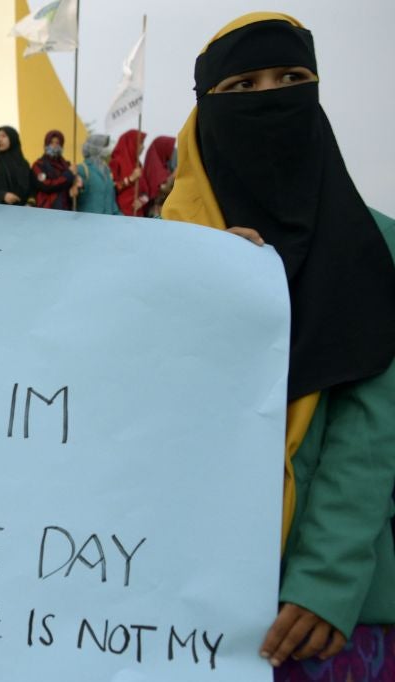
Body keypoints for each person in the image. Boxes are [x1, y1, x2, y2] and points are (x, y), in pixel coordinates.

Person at [162, 13, 395, 680]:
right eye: (243, 85)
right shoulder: (160, 254)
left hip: (328, 619)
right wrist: (197, 292)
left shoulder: (374, 246)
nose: (270, 96)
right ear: (205, 110)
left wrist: (325, 581)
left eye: (292, 78)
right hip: (180, 602)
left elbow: (370, 435)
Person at [0, 125, 34, 206]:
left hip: (23, 214)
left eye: (4, 136)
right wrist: (3, 195)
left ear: (13, 139)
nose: (0, 140)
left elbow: (30, 188)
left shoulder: (24, 164)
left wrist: (30, 202)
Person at [75, 134, 121, 216]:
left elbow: (112, 202)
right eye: (102, 146)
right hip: (89, 222)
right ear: (94, 147)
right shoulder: (82, 169)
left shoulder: (107, 171)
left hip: (107, 222)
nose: (105, 149)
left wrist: (123, 220)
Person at [31, 130, 76, 210]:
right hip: (47, 209)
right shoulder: (39, 165)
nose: (54, 146)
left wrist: (77, 185)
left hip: (66, 209)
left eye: (57, 143)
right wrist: (68, 175)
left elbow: (71, 187)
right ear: (46, 144)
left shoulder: (67, 165)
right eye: (51, 143)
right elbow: (46, 185)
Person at [109, 129, 150, 216]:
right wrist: (130, 179)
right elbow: (111, 188)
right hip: (120, 214)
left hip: (137, 215)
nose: (143, 147)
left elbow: (145, 191)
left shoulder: (138, 164)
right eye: (141, 143)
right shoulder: (116, 162)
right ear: (131, 143)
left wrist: (142, 201)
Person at [142, 135, 175, 217]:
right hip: (156, 214)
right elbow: (162, 187)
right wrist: (174, 176)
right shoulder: (155, 169)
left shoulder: (164, 166)